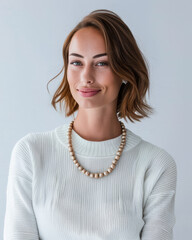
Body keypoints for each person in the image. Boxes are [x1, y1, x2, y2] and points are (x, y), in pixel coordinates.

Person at [4, 9, 177, 240]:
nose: (86, 76)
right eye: (76, 62)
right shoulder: (31, 153)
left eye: (102, 63)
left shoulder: (156, 165)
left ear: (125, 71)